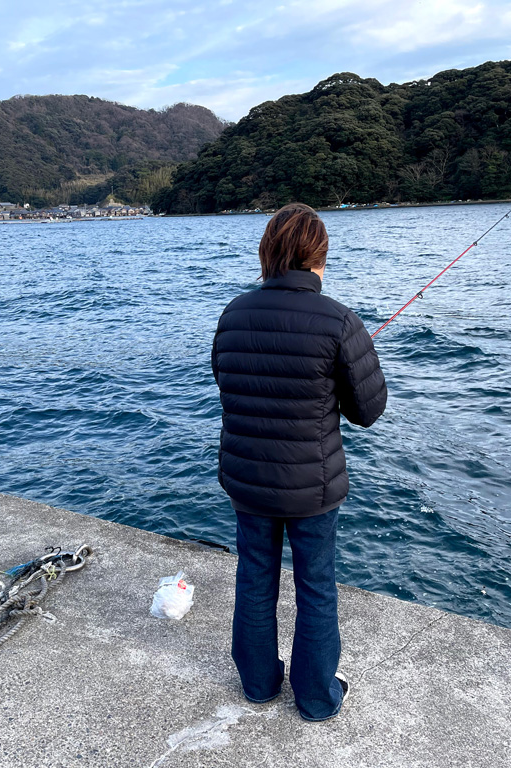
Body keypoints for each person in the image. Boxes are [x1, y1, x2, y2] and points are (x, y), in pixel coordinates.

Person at [211, 202, 387, 721]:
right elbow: (368, 411)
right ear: (318, 258)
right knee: (315, 586)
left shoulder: (233, 314)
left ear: (269, 254)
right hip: (313, 485)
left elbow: (228, 384)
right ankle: (315, 698)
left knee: (255, 576)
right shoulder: (339, 320)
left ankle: (260, 686)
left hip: (248, 480)